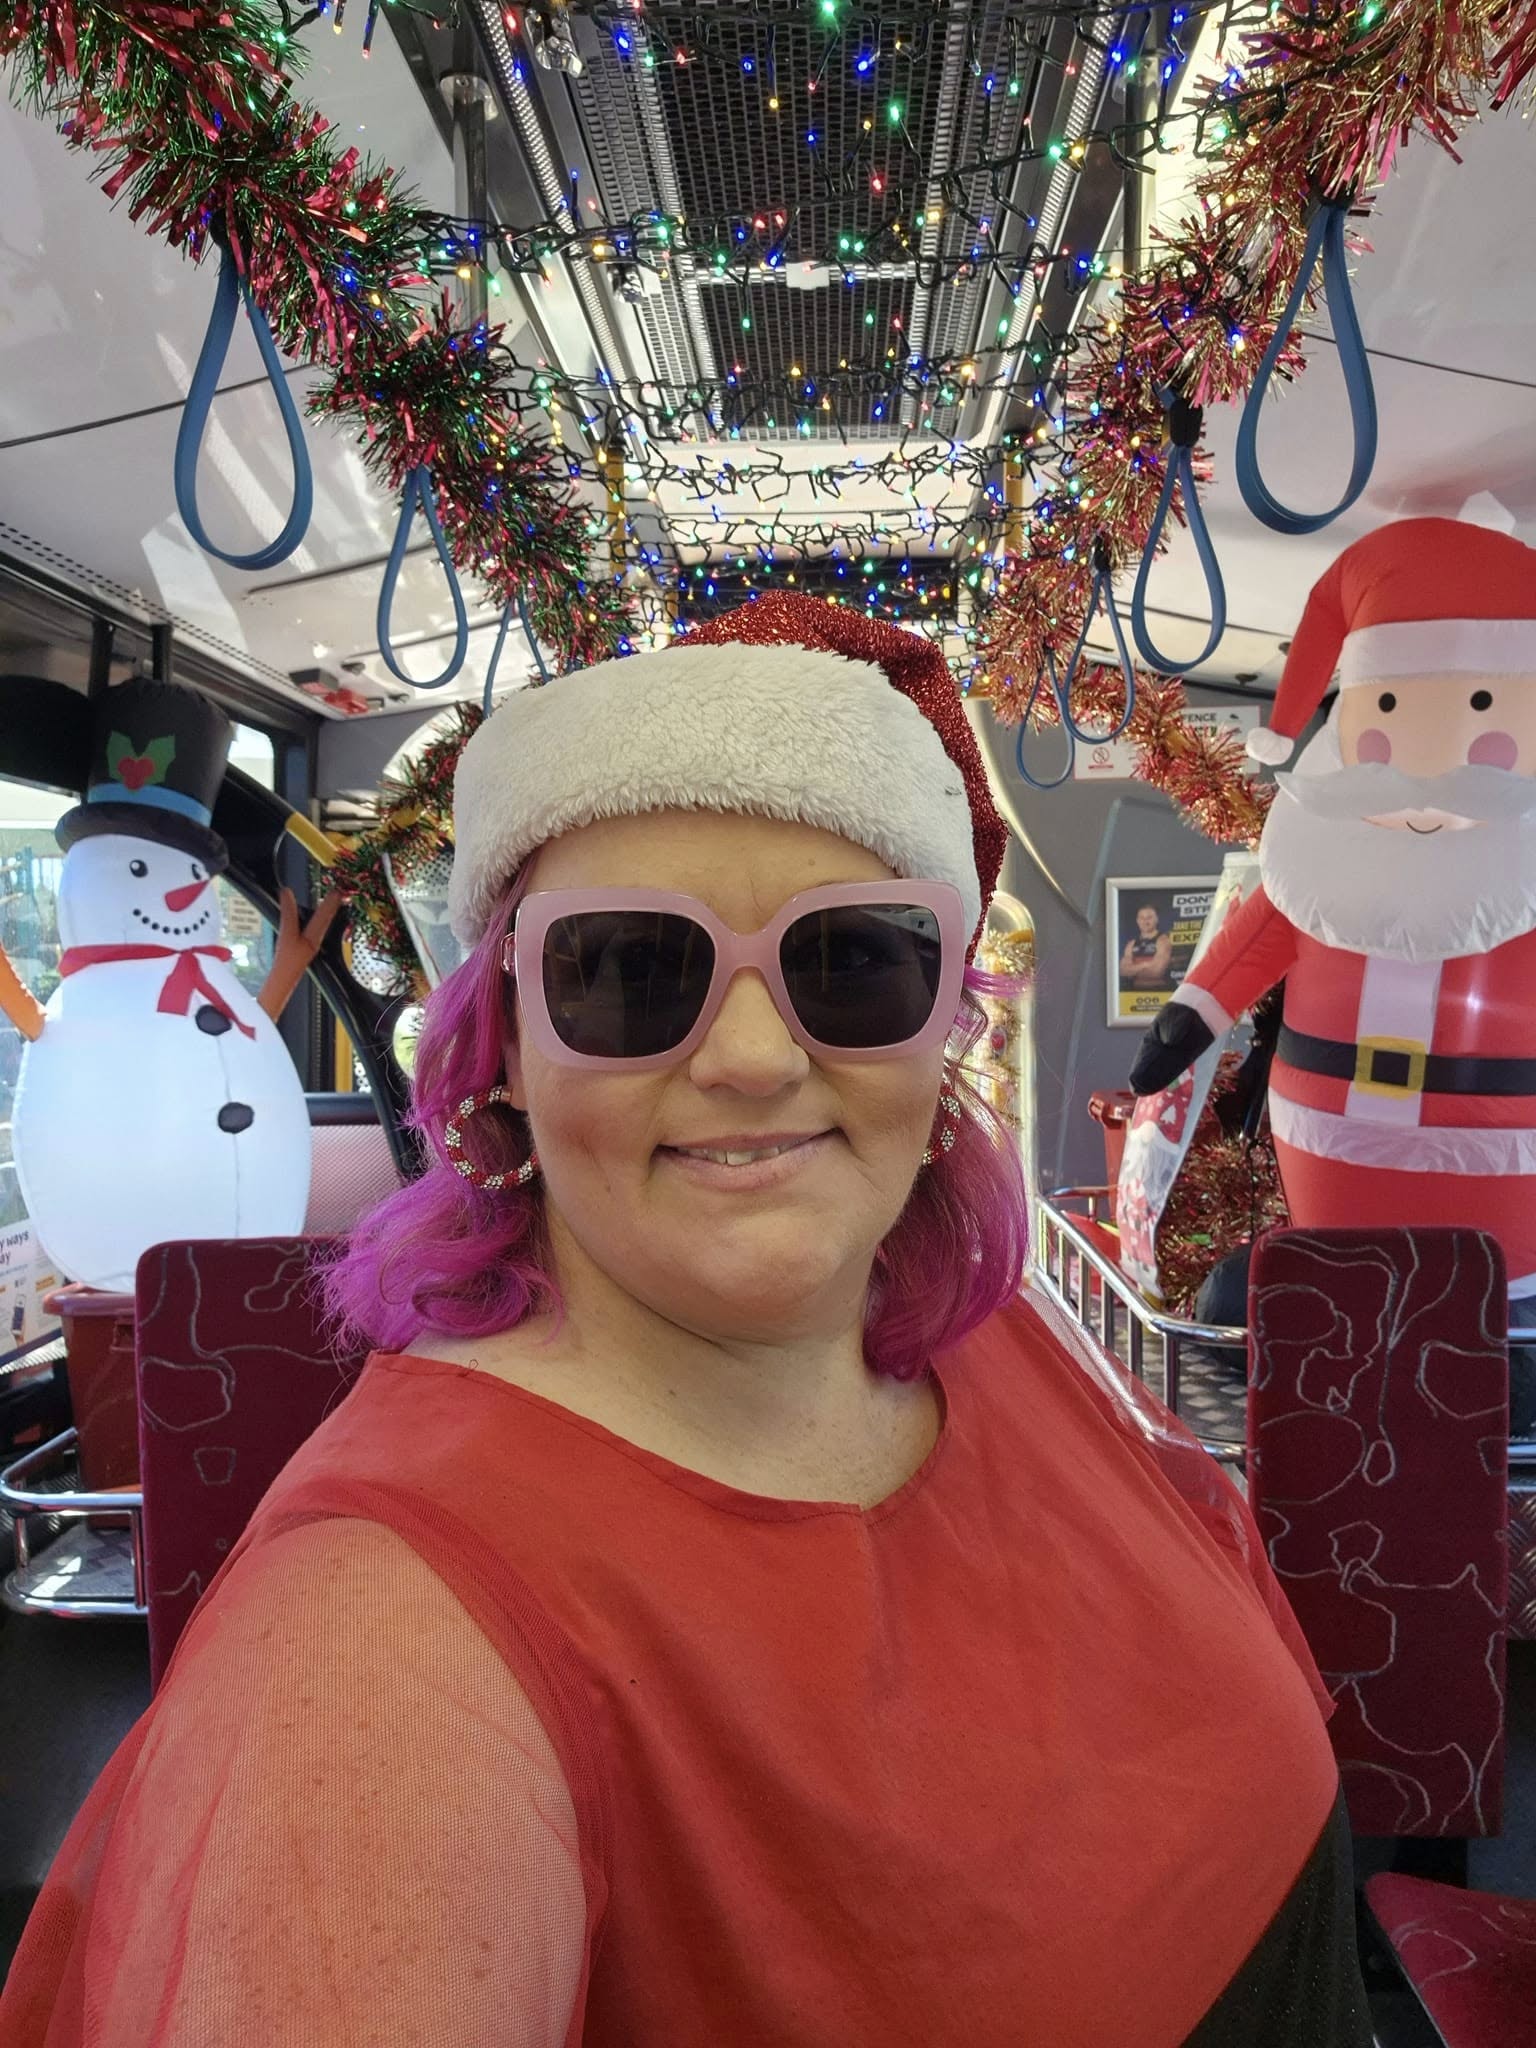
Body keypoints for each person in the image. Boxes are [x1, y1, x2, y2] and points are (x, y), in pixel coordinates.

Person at [0, 597, 1372, 2048]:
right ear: (504, 1051)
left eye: (851, 961)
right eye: (630, 973)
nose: (753, 1058)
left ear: (943, 1027)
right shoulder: (378, 1647)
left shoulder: (1006, 1332)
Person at [1121, 901, 1175, 990]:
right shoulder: (1131, 944)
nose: (1145, 921)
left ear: (1156, 919)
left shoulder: (1163, 941)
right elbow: (1123, 971)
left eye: (1149, 917)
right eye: (1142, 918)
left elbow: (1156, 972)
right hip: (1134, 992)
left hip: (1159, 991)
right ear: (1137, 920)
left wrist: (1133, 969)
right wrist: (1145, 965)